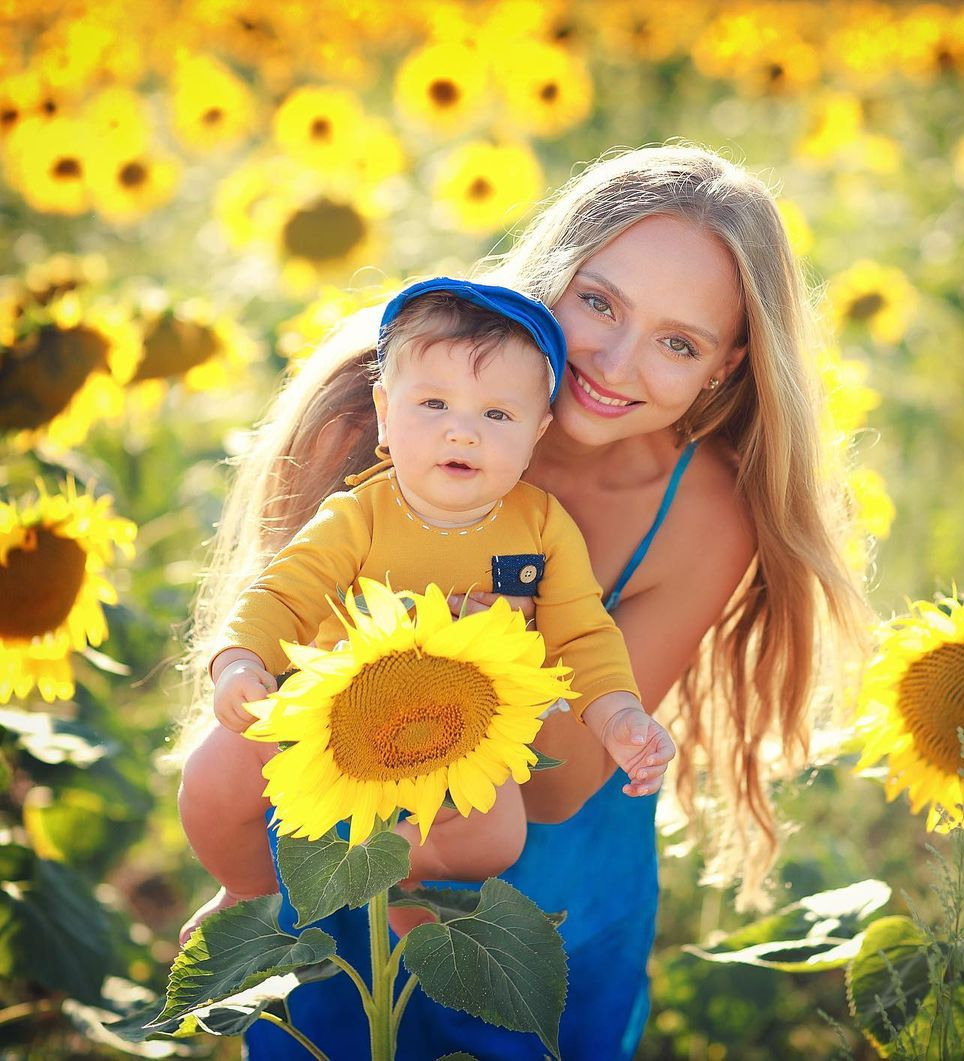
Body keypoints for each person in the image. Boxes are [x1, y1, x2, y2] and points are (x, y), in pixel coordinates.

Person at [178, 143, 868, 1059]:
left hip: (540, 902)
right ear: (554, 273)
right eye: (599, 303)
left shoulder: (701, 516)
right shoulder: (394, 401)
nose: (616, 362)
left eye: (678, 342)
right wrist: (251, 859)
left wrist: (478, 658)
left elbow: (557, 782)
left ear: (727, 365)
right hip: (338, 839)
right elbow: (284, 629)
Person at [181, 278, 675, 933]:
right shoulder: (358, 515)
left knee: (495, 839)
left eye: (497, 415)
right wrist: (241, 661)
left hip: (455, 731)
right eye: (434, 404)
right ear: (386, 413)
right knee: (211, 781)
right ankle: (247, 891)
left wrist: (617, 714)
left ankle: (408, 887)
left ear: (537, 432)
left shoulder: (541, 526)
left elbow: (582, 634)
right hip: (333, 719)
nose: (462, 432)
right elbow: (284, 593)